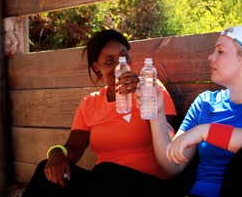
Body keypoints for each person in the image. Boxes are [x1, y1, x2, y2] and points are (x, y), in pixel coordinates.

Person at [22, 29, 187, 197]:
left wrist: (144, 96)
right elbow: (73, 148)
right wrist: (56, 154)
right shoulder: (90, 104)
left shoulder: (151, 88)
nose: (118, 67)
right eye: (109, 61)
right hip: (102, 186)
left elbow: (169, 140)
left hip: (148, 185)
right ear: (97, 67)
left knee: (106, 171)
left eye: (123, 57)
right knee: (47, 172)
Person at [144, 25, 242, 197]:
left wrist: (206, 131)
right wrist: (156, 114)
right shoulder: (205, 102)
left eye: (220, 51)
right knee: (110, 174)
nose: (211, 57)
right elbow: (173, 165)